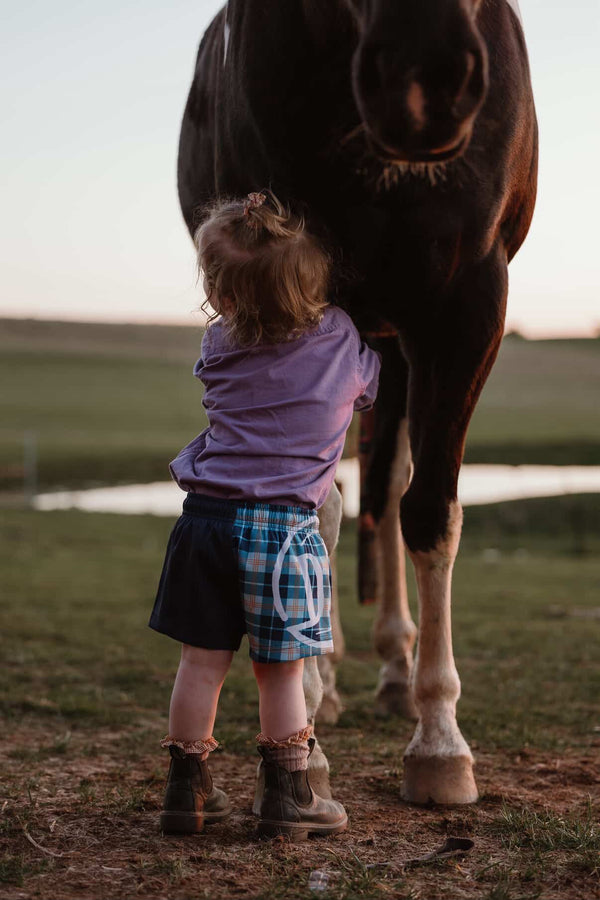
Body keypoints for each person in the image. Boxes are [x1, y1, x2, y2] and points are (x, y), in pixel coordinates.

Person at [149, 190, 380, 840]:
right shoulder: (337, 335)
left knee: (200, 665)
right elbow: (372, 386)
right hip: (282, 533)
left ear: (219, 293)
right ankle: (289, 795)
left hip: (203, 522)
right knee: (280, 672)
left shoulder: (217, 342)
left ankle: (185, 794)